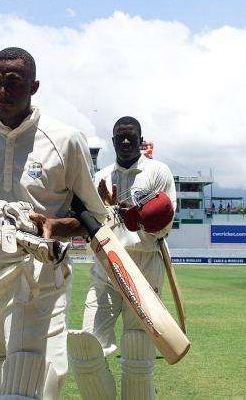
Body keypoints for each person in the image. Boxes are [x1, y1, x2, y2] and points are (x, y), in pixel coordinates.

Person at [0, 47, 106, 399]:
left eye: (13, 83)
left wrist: (56, 226)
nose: (2, 92)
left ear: (34, 86)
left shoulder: (65, 140)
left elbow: (95, 217)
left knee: (24, 374)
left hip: (41, 273)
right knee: (3, 372)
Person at [68, 117, 175, 400]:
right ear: (113, 141)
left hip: (144, 263)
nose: (125, 142)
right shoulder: (100, 177)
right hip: (106, 264)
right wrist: (106, 209)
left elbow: (165, 223)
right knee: (87, 345)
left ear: (140, 139)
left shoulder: (158, 171)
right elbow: (88, 220)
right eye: (120, 137)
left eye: (131, 137)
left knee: (138, 351)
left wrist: (137, 217)